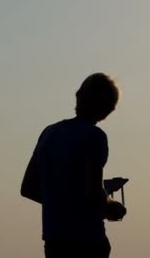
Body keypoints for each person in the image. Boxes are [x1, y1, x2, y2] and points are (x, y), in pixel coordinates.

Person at [21, 73, 126, 258]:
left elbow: (28, 188)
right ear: (106, 110)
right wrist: (111, 206)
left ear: (78, 94)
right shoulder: (95, 137)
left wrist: (61, 203)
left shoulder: (48, 134)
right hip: (87, 242)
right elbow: (93, 195)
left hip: (55, 241)